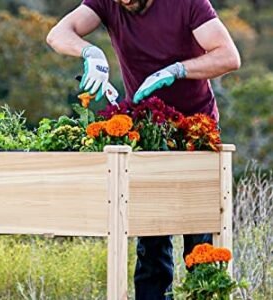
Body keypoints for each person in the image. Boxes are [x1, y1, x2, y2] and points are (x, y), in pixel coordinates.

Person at [46, 0, 240, 299]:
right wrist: (90, 52)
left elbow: (228, 56)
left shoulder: (188, 3)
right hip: (147, 130)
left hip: (196, 132)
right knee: (151, 241)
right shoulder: (108, 3)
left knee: (199, 240)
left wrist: (177, 70)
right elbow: (59, 33)